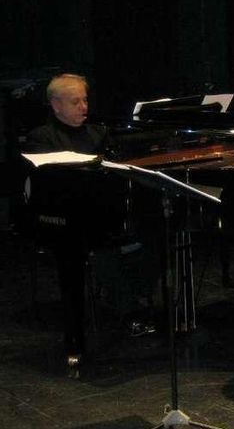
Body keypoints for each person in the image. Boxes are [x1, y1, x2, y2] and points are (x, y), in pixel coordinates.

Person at [24, 73, 157, 369]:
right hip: (61, 221)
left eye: (85, 100)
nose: (84, 106)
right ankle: (77, 337)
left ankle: (130, 305)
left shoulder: (98, 134)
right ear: (56, 105)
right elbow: (46, 190)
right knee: (84, 253)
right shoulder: (41, 138)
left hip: (101, 215)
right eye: (75, 101)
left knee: (151, 237)